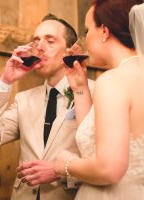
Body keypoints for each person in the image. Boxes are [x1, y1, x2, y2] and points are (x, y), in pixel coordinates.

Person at [0, 14, 94, 200]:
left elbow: (103, 159)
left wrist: (62, 172)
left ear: (69, 50)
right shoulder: (24, 99)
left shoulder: (94, 92)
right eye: (36, 40)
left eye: (50, 41)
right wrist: (5, 82)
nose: (39, 47)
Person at [53, 0, 144, 199]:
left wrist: (67, 163)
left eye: (86, 31)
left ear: (104, 31)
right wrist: (79, 87)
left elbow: (109, 169)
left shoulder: (113, 81)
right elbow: (97, 141)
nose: (84, 40)